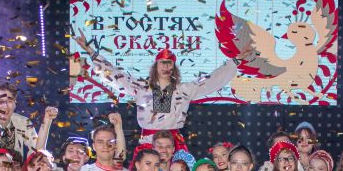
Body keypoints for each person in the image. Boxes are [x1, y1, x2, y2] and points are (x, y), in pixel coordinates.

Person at [76, 32, 239, 150]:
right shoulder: (142, 87)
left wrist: (236, 61)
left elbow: (212, 80)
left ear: (174, 68)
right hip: (148, 142)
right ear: (156, 66)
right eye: (162, 63)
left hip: (174, 144)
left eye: (169, 63)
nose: (166, 66)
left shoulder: (184, 89)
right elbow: (116, 76)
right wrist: (90, 51)